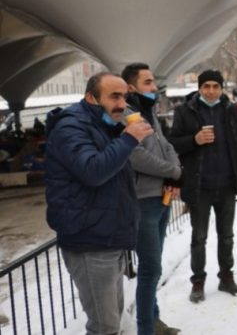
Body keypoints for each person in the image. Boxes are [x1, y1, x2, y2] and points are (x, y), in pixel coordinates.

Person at [45, 72, 153, 335]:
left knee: (113, 321)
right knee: (104, 327)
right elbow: (93, 171)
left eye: (124, 96)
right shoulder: (70, 127)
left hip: (108, 236)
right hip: (89, 240)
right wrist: (128, 138)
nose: (121, 104)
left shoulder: (103, 123)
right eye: (114, 96)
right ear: (91, 97)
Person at [167, 70, 237, 303]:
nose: (211, 90)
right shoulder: (186, 111)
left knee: (226, 236)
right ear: (200, 88)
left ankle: (226, 277)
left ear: (222, 88)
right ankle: (198, 282)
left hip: (226, 184)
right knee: (199, 238)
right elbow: (173, 144)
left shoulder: (231, 110)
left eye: (215, 86)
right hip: (199, 186)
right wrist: (194, 140)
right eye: (206, 86)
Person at [121, 63, 182, 335]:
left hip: (162, 197)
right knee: (150, 268)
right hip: (142, 200)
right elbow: (136, 156)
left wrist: (175, 172)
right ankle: (146, 328)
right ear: (131, 87)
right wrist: (172, 171)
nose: (154, 87)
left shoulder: (148, 113)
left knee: (153, 266)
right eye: (148, 82)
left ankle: (154, 319)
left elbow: (166, 145)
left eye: (153, 82)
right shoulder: (127, 115)